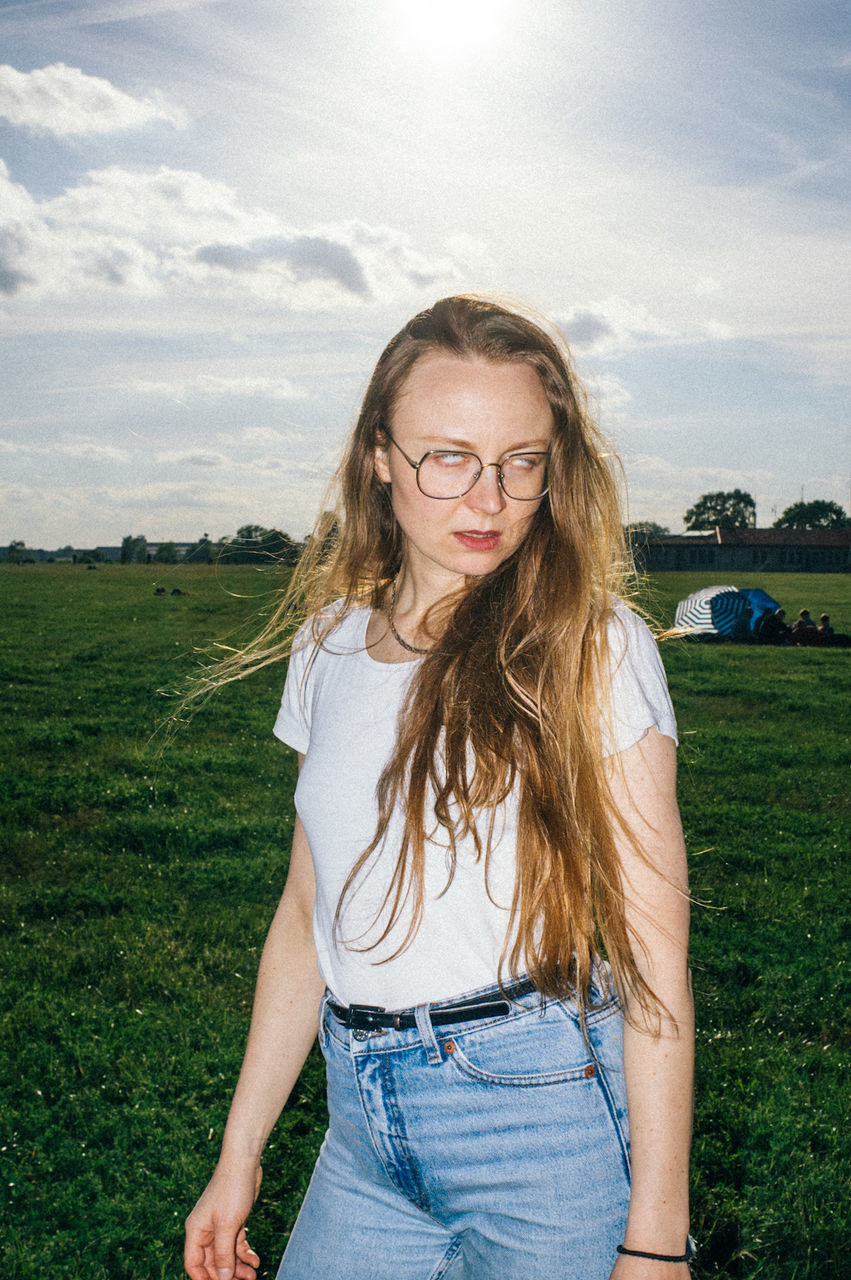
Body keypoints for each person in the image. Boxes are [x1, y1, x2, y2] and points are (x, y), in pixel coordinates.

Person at [183, 295, 694, 1280]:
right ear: (379, 454)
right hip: (363, 1128)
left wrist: (653, 1239)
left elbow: (655, 961)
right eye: (447, 455)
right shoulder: (325, 645)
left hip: (542, 1118)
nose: (490, 498)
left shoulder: (592, 646)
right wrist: (238, 1151)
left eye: (521, 460)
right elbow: (305, 915)